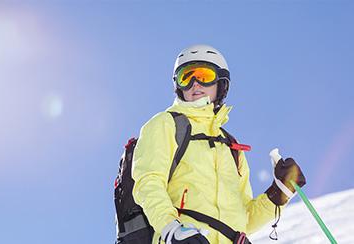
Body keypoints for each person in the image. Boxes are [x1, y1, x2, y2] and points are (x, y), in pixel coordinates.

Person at [131, 44, 306, 244]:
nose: (195, 84)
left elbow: (244, 221)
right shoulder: (165, 124)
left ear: (221, 84)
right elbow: (148, 182)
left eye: (204, 76)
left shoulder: (232, 147)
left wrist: (279, 193)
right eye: (186, 77)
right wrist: (171, 228)